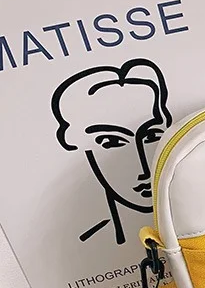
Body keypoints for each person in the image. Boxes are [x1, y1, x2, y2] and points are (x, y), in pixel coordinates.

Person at [52, 58, 172, 245]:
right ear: (75, 141)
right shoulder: (81, 245)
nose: (145, 167)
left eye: (151, 135)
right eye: (112, 142)